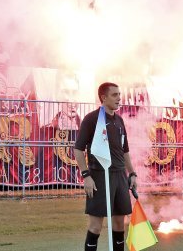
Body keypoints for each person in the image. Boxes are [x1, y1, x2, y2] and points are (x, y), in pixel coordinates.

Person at [73, 82, 138, 251]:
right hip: (99, 176)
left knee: (119, 224)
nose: (119, 98)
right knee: (95, 226)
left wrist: (132, 173)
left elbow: (125, 151)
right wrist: (86, 175)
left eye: (119, 94)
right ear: (103, 97)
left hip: (120, 176)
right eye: (115, 95)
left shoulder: (119, 120)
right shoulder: (92, 119)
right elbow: (78, 149)